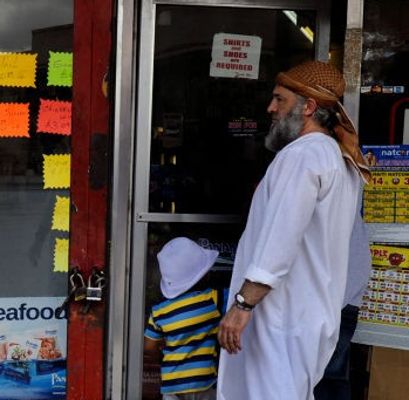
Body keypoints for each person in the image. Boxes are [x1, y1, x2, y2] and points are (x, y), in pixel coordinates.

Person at [216, 61, 369, 400]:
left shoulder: (303, 155)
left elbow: (280, 239)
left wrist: (242, 306)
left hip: (281, 316)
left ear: (309, 107)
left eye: (279, 100)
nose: (271, 108)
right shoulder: (335, 156)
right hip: (303, 316)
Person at [145, 237, 223, 400]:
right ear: (201, 275)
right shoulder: (213, 299)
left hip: (171, 384)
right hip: (204, 382)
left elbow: (149, 346)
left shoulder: (159, 311)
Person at [312, 198, 371, 399]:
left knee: (316, 381)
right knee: (333, 378)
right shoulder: (351, 181)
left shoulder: (323, 182)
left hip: (325, 299)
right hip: (347, 296)